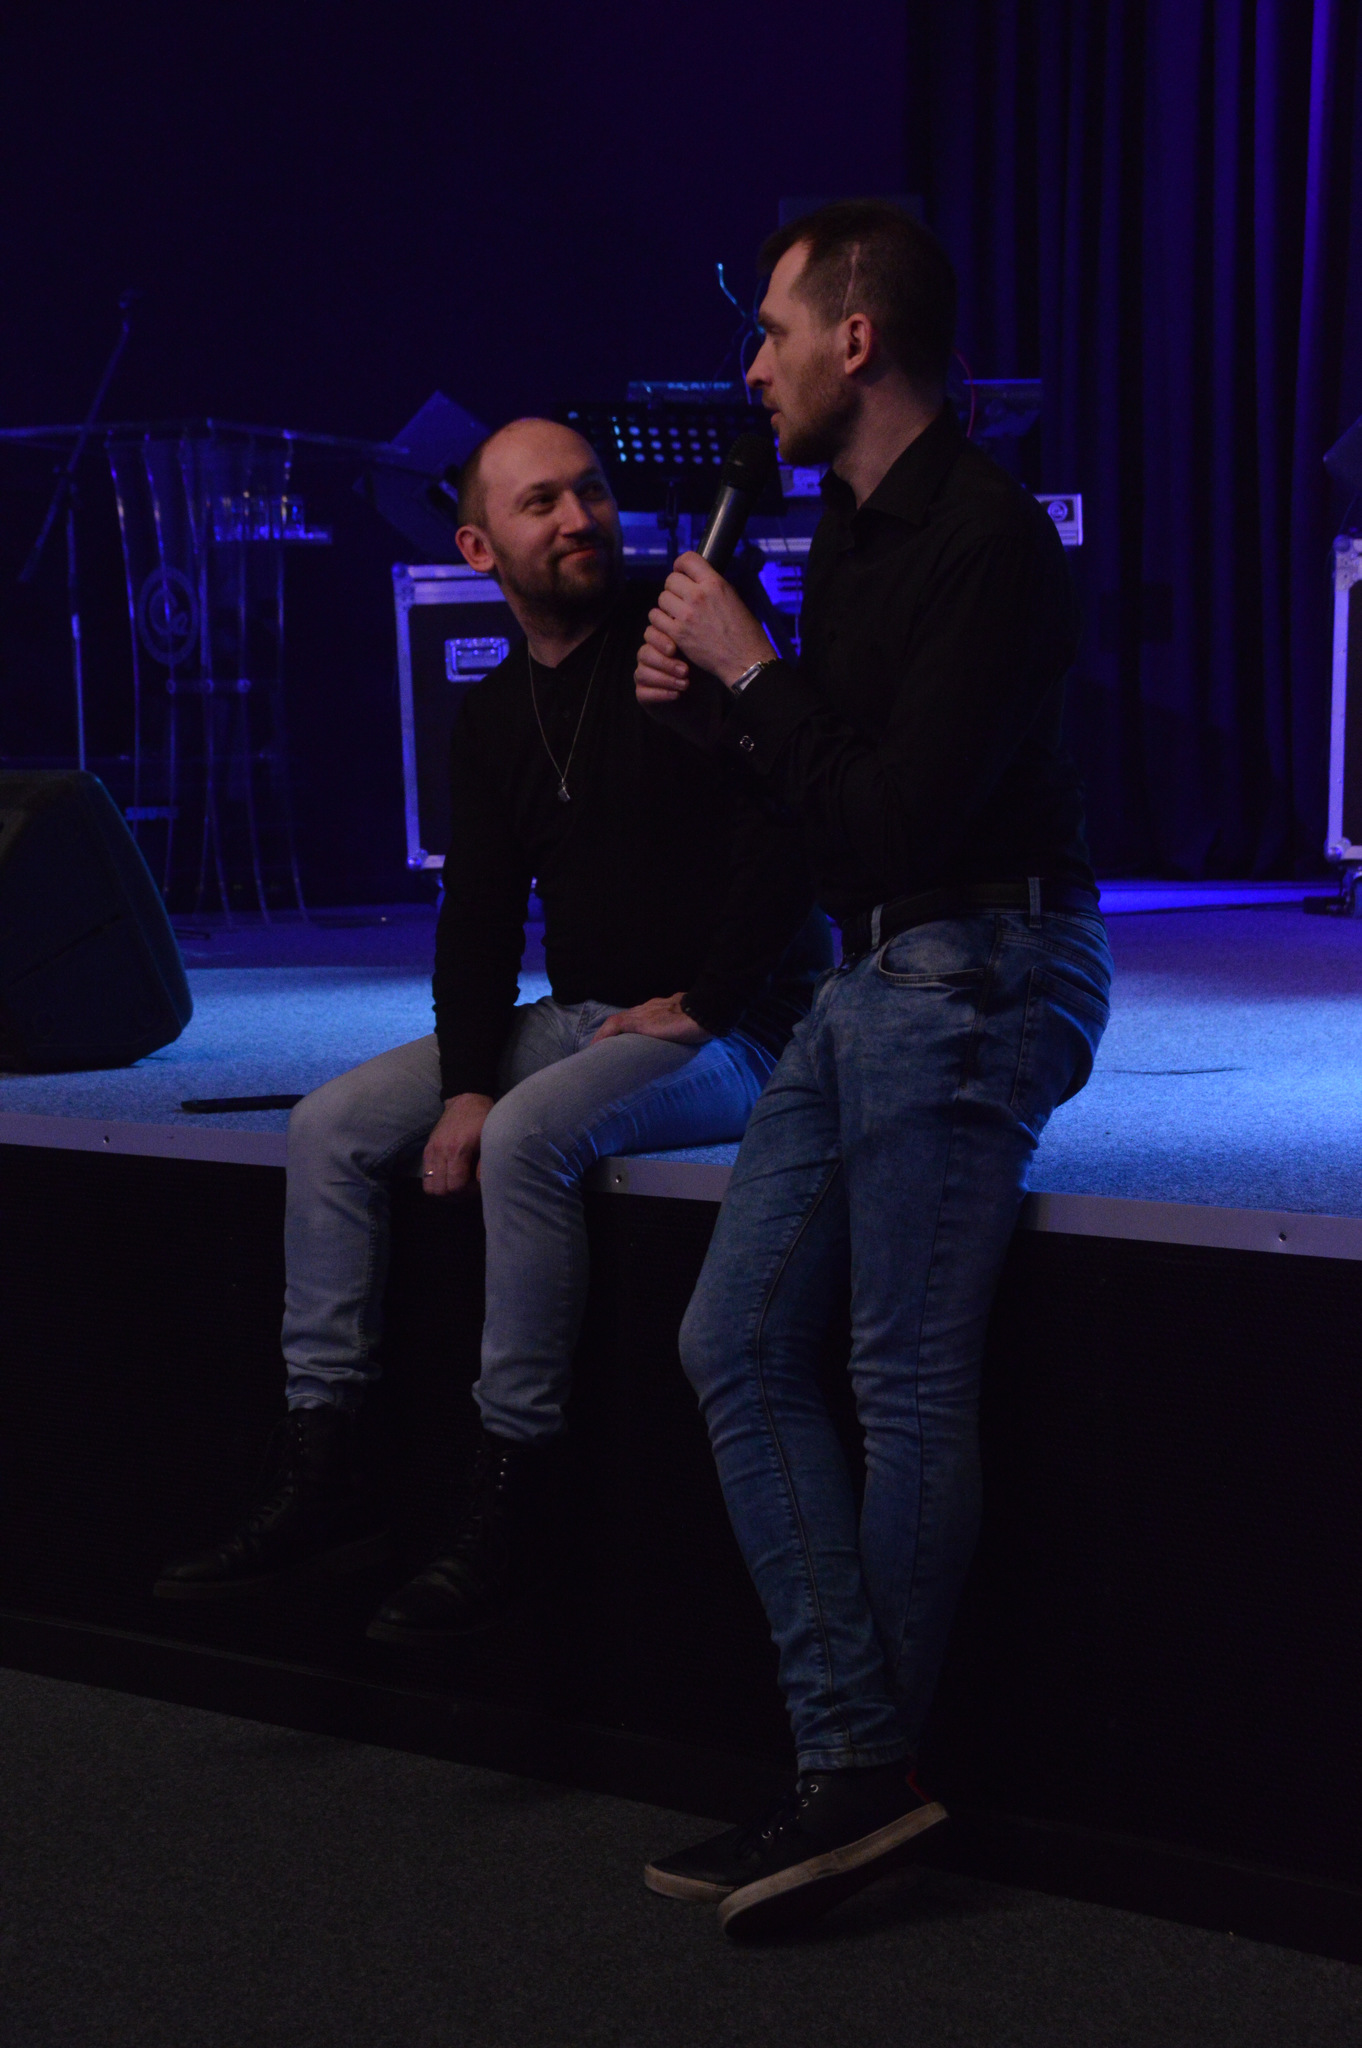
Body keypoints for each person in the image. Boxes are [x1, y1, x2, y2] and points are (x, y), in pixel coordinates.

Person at [634, 202, 1112, 1937]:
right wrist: (722, 717)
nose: (749, 366)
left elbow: (904, 818)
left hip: (984, 964)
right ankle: (854, 1758)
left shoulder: (989, 541)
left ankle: (857, 1778)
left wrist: (754, 670)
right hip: (876, 968)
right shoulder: (839, 529)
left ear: (857, 339)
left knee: (902, 1376)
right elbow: (826, 814)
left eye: (771, 330)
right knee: (729, 1338)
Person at [155, 417, 828, 1638]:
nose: (579, 518)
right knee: (328, 1124)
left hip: (741, 1026)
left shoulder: (682, 633)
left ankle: (518, 1486)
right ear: (477, 548)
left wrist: (711, 999)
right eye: (541, 503)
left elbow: (795, 828)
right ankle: (325, 1459)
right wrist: (466, 1078)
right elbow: (476, 916)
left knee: (526, 1138)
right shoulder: (499, 710)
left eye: (591, 491)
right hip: (583, 1017)